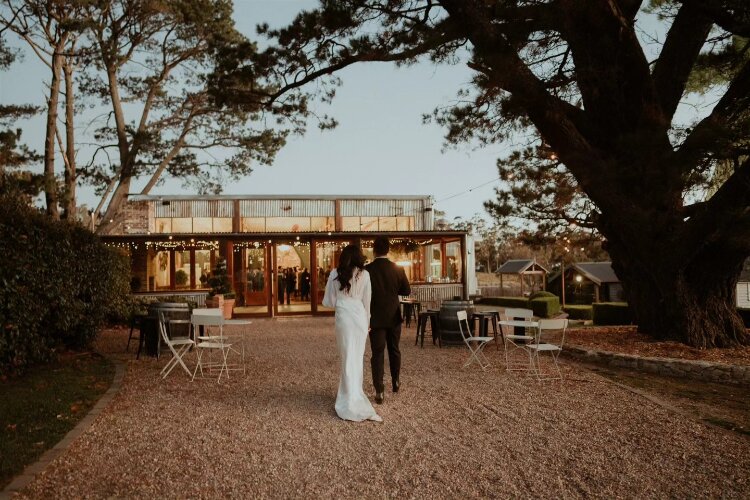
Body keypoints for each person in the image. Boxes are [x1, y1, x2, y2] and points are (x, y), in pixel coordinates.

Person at [322, 244, 382, 423]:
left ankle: (349, 398)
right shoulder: (365, 274)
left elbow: (329, 301)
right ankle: (354, 394)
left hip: (344, 319)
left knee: (347, 358)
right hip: (360, 318)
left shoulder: (335, 274)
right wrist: (368, 323)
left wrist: (342, 298)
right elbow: (368, 301)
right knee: (356, 358)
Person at [366, 236, 410, 404]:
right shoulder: (397, 269)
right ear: (388, 250)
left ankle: (379, 390)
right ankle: (396, 381)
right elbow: (406, 290)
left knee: (377, 353)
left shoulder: (367, 270)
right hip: (393, 316)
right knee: (394, 349)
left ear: (374, 250)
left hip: (375, 317)